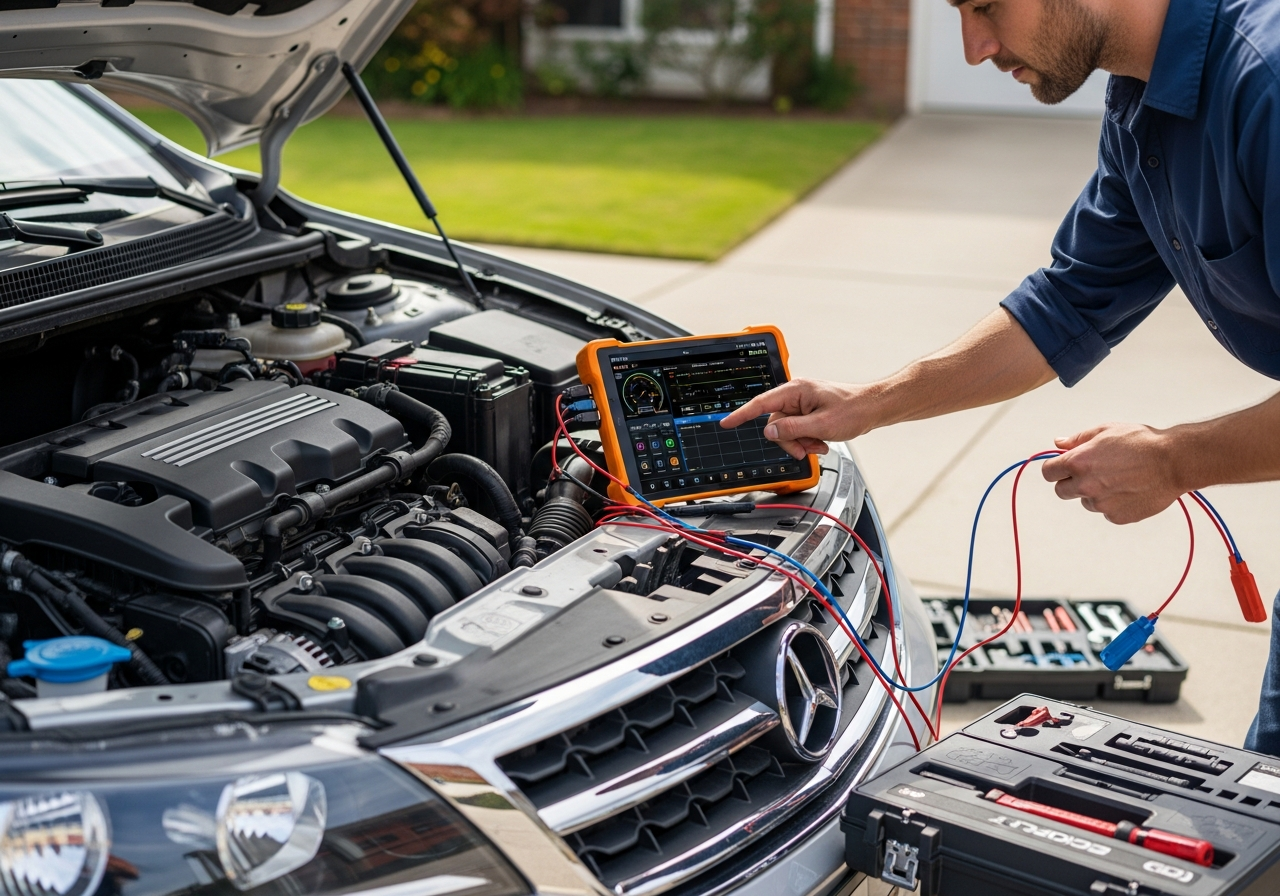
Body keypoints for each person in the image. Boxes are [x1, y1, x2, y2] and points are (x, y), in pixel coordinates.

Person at [720, 0, 1280, 754]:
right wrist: (871, 404)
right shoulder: (1141, 107)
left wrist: (1176, 460)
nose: (974, 47)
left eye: (986, 6)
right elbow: (1064, 305)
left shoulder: (1267, 83)